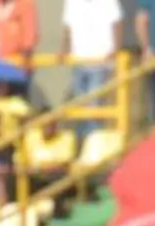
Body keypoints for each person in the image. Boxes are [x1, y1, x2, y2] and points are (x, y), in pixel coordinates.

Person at [61, 0, 123, 132]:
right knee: (80, 106)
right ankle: (84, 142)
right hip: (78, 61)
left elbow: (117, 23)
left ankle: (93, 144)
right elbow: (67, 27)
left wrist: (115, 49)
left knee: (94, 107)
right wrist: (64, 49)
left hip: (101, 61)